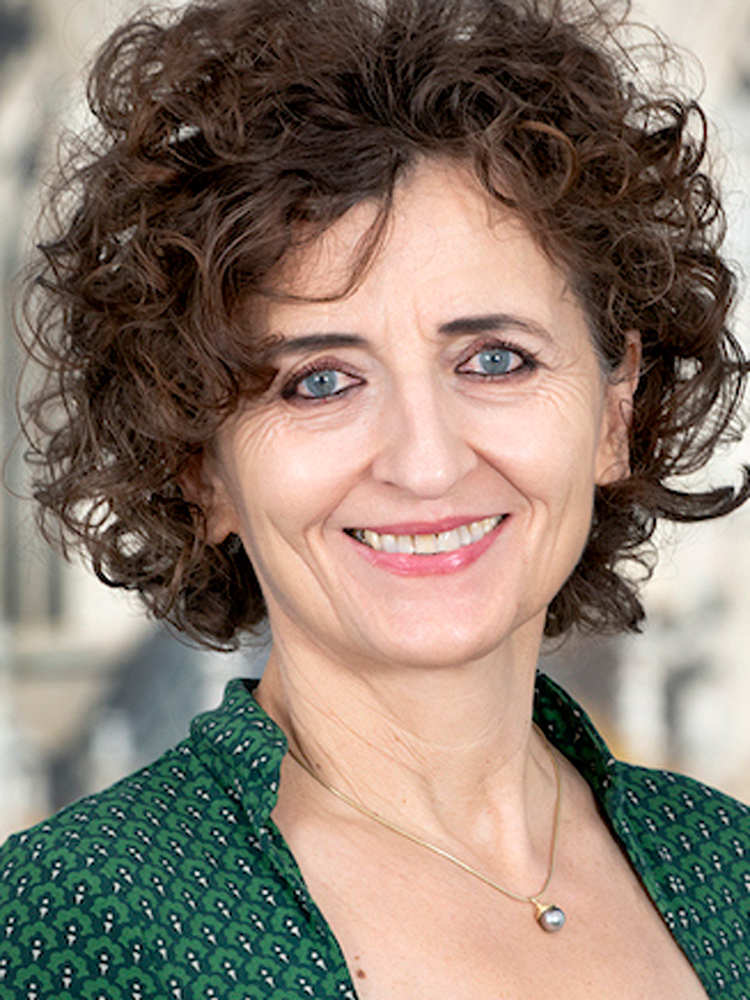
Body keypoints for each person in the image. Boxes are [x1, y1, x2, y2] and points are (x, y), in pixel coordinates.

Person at [1, 0, 749, 996]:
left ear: (615, 412)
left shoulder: (728, 870)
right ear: (199, 467)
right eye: (318, 380)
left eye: (494, 358)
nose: (426, 461)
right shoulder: (74, 920)